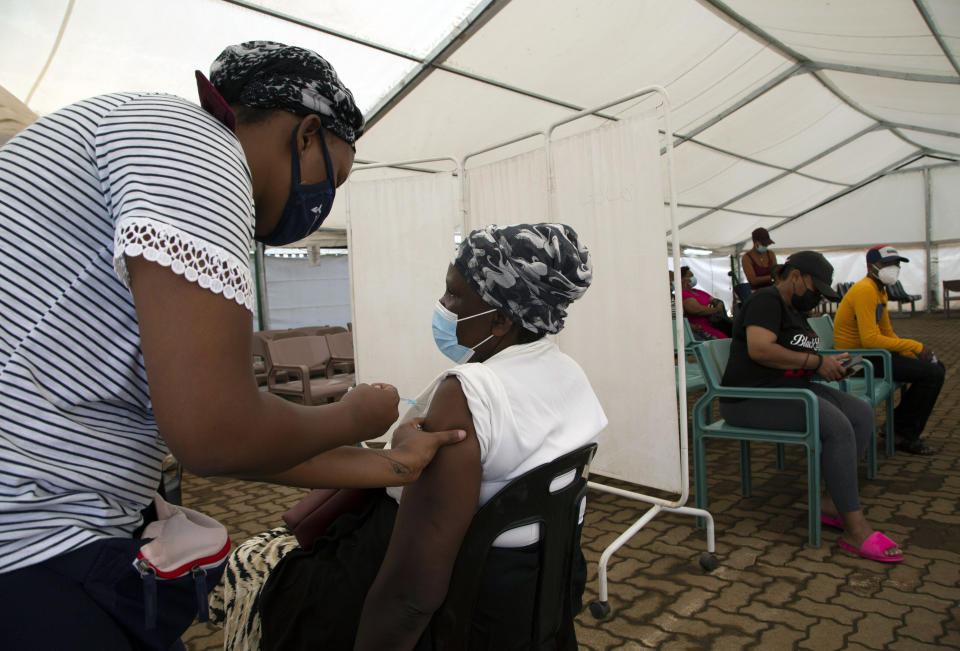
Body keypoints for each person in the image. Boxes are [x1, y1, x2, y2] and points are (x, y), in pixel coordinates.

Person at [0, 41, 463, 649]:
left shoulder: (132, 133)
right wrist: (351, 415)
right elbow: (216, 434)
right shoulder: (199, 152)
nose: (325, 202)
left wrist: (390, 465)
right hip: (34, 544)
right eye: (336, 177)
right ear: (306, 134)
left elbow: (231, 437)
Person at [214, 223, 608, 650]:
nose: (442, 305)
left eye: (455, 295)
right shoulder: (569, 374)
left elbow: (411, 594)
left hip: (465, 610)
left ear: (499, 319)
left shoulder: (469, 393)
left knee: (271, 576)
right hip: (532, 599)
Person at [719, 251, 902, 563]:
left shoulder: (795, 312)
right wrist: (816, 362)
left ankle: (832, 502)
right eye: (815, 289)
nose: (817, 297)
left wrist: (832, 364)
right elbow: (760, 349)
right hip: (749, 398)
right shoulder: (766, 301)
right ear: (795, 276)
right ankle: (855, 530)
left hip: (789, 390)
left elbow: (800, 355)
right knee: (837, 426)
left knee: (861, 414)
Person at [833, 245, 945, 456]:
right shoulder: (865, 290)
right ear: (871, 266)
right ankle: (903, 433)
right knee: (933, 374)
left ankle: (899, 427)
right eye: (886, 264)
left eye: (896, 264)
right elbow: (870, 339)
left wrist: (908, 352)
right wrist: (914, 346)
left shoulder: (879, 291)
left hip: (873, 356)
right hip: (857, 361)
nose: (893, 268)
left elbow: (886, 332)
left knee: (935, 367)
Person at [681, 266, 732, 338]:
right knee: (723, 339)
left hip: (714, 325)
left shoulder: (697, 291)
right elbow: (697, 310)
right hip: (700, 328)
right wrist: (716, 310)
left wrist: (717, 303)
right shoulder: (682, 293)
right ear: (682, 279)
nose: (693, 278)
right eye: (690, 276)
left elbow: (715, 300)